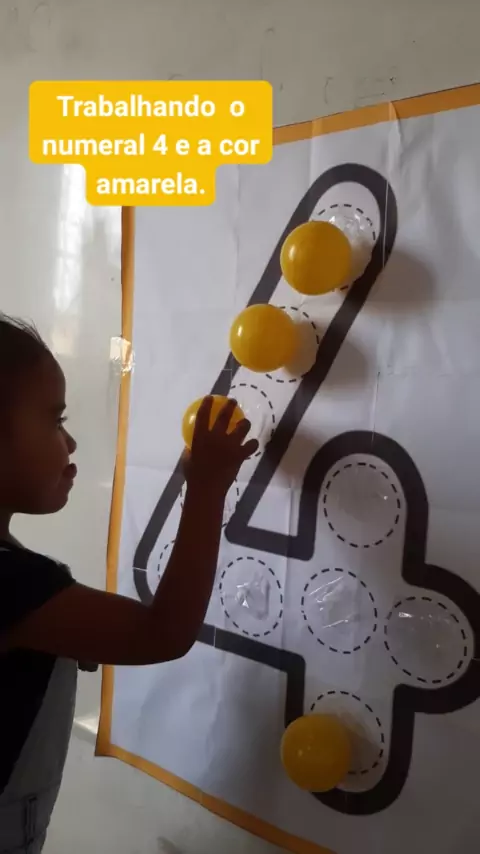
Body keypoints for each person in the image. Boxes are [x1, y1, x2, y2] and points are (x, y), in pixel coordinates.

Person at [0, 314, 258, 853]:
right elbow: (163, 632)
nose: (70, 442)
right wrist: (207, 487)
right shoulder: (13, 584)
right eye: (54, 421)